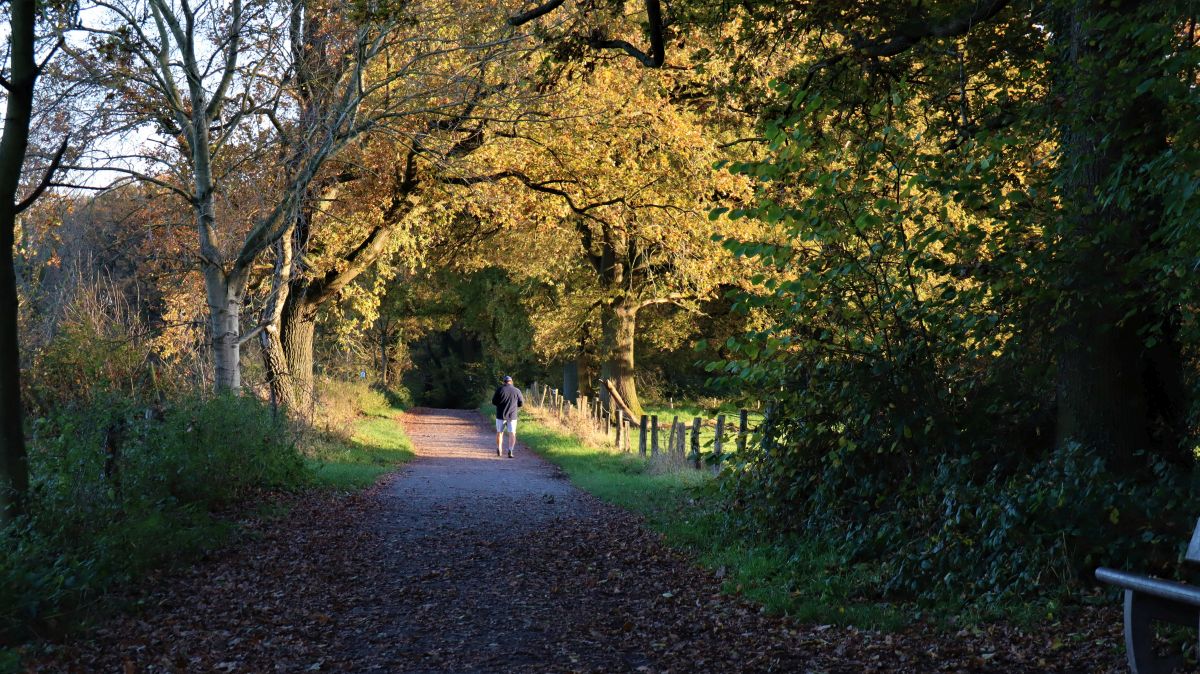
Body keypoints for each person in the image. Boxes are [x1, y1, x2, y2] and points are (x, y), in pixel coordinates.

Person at [491, 375, 523, 458]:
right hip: (512, 416)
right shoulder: (517, 391)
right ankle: (510, 450)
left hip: (500, 415)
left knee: (499, 432)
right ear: (511, 382)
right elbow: (521, 403)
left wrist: (500, 404)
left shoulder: (500, 389)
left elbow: (494, 402)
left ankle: (499, 449)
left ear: (504, 382)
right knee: (512, 433)